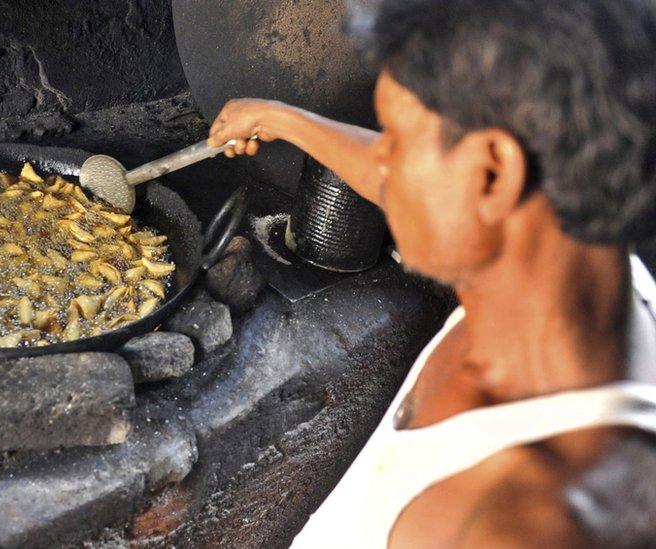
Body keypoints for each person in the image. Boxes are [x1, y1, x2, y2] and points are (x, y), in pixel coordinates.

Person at [207, 0, 656, 547]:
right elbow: (424, 181)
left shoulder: (517, 523)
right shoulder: (583, 264)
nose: (381, 163)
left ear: (493, 174)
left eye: (395, 137)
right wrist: (285, 120)